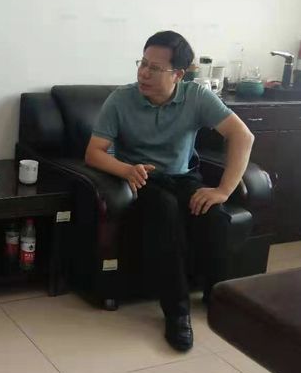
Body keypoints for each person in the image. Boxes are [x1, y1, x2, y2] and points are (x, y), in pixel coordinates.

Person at [85, 30, 255, 352]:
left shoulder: (196, 96)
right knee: (164, 213)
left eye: (155, 68)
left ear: (178, 74)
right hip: (142, 180)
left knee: (213, 214)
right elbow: (93, 152)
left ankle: (216, 295)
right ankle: (177, 314)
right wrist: (126, 170)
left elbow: (243, 136)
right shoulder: (121, 99)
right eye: (142, 63)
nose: (143, 73)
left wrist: (223, 190)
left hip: (183, 177)